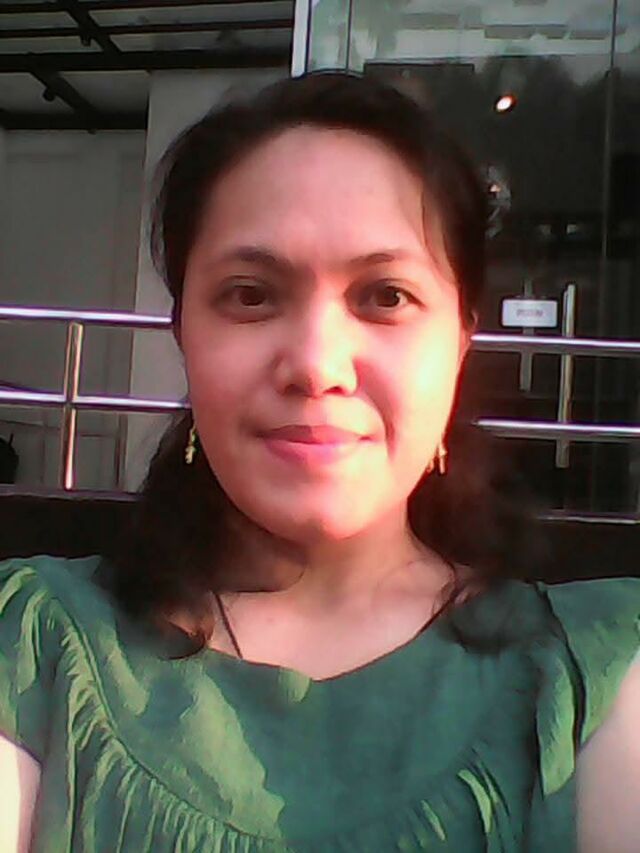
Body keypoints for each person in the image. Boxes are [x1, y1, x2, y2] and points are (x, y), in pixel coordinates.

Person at [0, 70, 639, 853]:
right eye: (250, 295)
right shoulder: (33, 647)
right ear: (183, 336)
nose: (316, 364)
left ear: (460, 343)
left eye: (385, 296)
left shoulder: (592, 682)